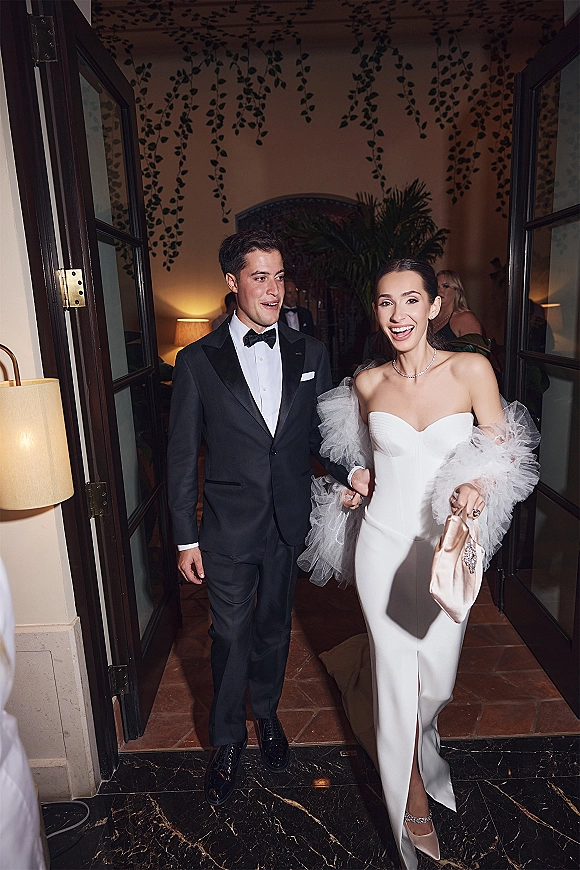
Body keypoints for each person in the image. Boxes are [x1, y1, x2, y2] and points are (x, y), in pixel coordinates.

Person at [299, 258, 540, 869]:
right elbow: (362, 461)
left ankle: (418, 736)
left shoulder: (470, 370)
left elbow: (507, 454)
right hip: (382, 543)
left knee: (437, 681)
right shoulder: (367, 384)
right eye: (386, 303)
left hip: (445, 550)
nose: (398, 314)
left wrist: (479, 485)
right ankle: (408, 802)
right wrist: (355, 484)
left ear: (434, 306)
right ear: (376, 313)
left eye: (411, 301)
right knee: (396, 684)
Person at [167, 230, 362, 808]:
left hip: (288, 523)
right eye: (260, 277)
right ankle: (227, 740)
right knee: (228, 634)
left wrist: (351, 470)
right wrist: (185, 537)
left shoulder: (312, 354)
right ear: (232, 283)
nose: (274, 290)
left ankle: (268, 715)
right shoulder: (197, 361)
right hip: (225, 529)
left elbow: (323, 436)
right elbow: (181, 456)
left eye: (279, 277)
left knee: (275, 629)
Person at [432, 269, 483, 341]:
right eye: (437, 287)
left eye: (445, 286)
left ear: (456, 290)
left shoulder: (466, 319)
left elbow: (474, 350)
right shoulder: (430, 316)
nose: (439, 290)